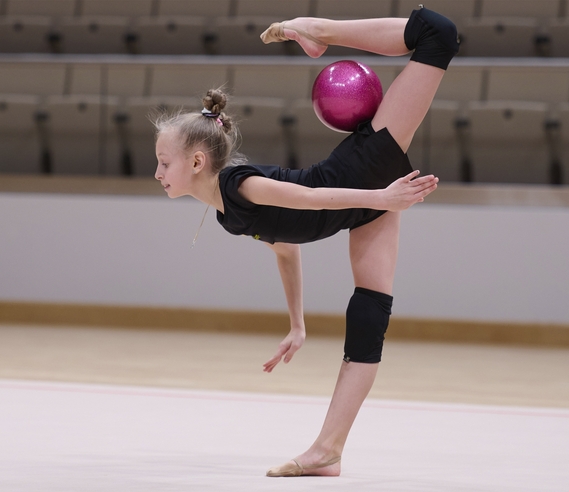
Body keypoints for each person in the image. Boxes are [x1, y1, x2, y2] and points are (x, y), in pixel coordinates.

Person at [153, 5, 458, 477]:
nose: (157, 174)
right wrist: (297, 324)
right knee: (368, 317)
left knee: (438, 33)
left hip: (363, 172)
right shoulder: (227, 216)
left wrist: (383, 196)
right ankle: (328, 450)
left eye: (163, 163)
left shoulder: (239, 185)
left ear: (196, 162)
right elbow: (285, 247)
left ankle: (319, 31)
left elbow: (312, 198)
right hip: (363, 199)